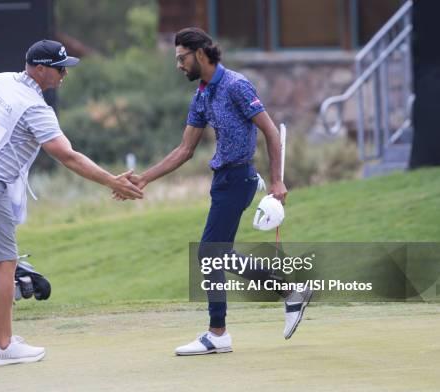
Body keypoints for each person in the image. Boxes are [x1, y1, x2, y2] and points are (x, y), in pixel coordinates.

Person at [0, 39, 143, 367]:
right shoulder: (35, 108)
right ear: (40, 69)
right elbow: (67, 156)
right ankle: (4, 346)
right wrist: (112, 180)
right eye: (59, 68)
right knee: (6, 260)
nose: (64, 73)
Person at [122, 27, 312, 355]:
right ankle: (285, 294)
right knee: (215, 255)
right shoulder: (201, 95)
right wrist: (144, 178)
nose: (178, 65)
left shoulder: (236, 85)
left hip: (239, 179)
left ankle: (221, 331)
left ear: (199, 54)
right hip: (222, 181)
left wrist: (278, 179)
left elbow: (269, 131)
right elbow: (184, 150)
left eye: (181, 58)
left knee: (209, 254)